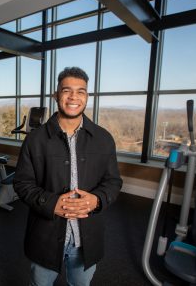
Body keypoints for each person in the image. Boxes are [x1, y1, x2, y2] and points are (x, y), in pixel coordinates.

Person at [13, 66, 123, 286]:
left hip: (86, 238)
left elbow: (113, 181)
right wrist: (50, 203)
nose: (74, 97)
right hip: (45, 235)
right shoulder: (35, 140)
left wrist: (97, 199)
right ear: (56, 95)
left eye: (80, 91)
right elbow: (22, 183)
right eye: (67, 90)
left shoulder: (103, 138)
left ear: (87, 97)